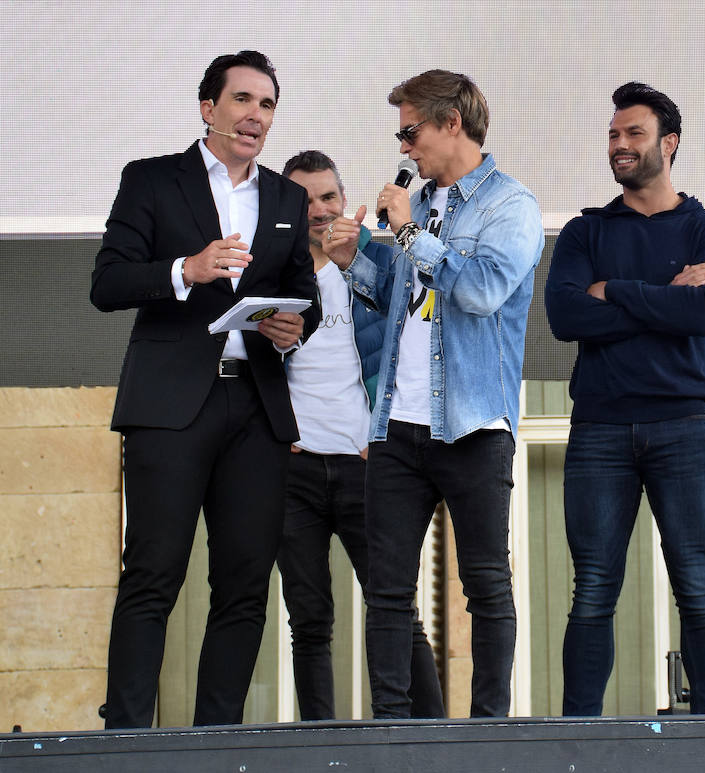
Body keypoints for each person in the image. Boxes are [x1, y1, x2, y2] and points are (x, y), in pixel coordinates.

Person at [90, 50, 320, 728]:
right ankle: (126, 735)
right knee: (154, 573)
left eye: (268, 104)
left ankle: (216, 740)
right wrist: (185, 268)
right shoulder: (153, 181)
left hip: (256, 406)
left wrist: (289, 328)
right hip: (171, 404)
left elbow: (302, 291)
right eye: (244, 99)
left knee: (246, 585)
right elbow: (107, 282)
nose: (256, 115)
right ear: (208, 107)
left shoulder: (286, 197)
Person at [322, 71, 543, 719]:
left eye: (410, 130)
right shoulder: (416, 205)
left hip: (472, 421)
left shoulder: (510, 204)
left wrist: (412, 236)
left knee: (485, 585)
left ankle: (488, 731)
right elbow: (403, 296)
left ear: (453, 123)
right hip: (397, 423)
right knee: (387, 590)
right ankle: (391, 726)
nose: (403, 146)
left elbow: (479, 291)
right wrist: (355, 256)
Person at [544, 82, 705, 716]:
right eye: (613, 134)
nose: (619, 145)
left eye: (632, 133)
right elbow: (566, 316)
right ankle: (580, 733)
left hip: (682, 427)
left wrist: (613, 292)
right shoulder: (584, 231)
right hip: (599, 429)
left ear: (669, 143)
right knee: (593, 590)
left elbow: (702, 311)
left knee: (698, 585)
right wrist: (664, 292)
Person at [276, 149, 444, 720]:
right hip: (295, 466)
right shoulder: (272, 272)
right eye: (303, 201)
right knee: (309, 616)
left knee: (393, 605)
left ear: (344, 200)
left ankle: (430, 737)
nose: (319, 210)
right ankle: (320, 739)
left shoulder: (375, 257)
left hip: (365, 462)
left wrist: (385, 434)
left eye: (328, 196)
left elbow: (408, 343)